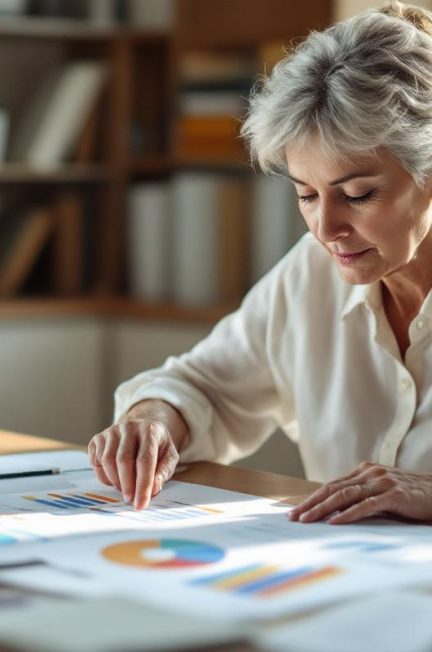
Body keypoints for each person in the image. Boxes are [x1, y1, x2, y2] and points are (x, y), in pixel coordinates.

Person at [89, 0, 432, 525]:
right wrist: (153, 418)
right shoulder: (313, 273)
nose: (326, 229)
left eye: (358, 195)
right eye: (306, 195)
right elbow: (205, 385)